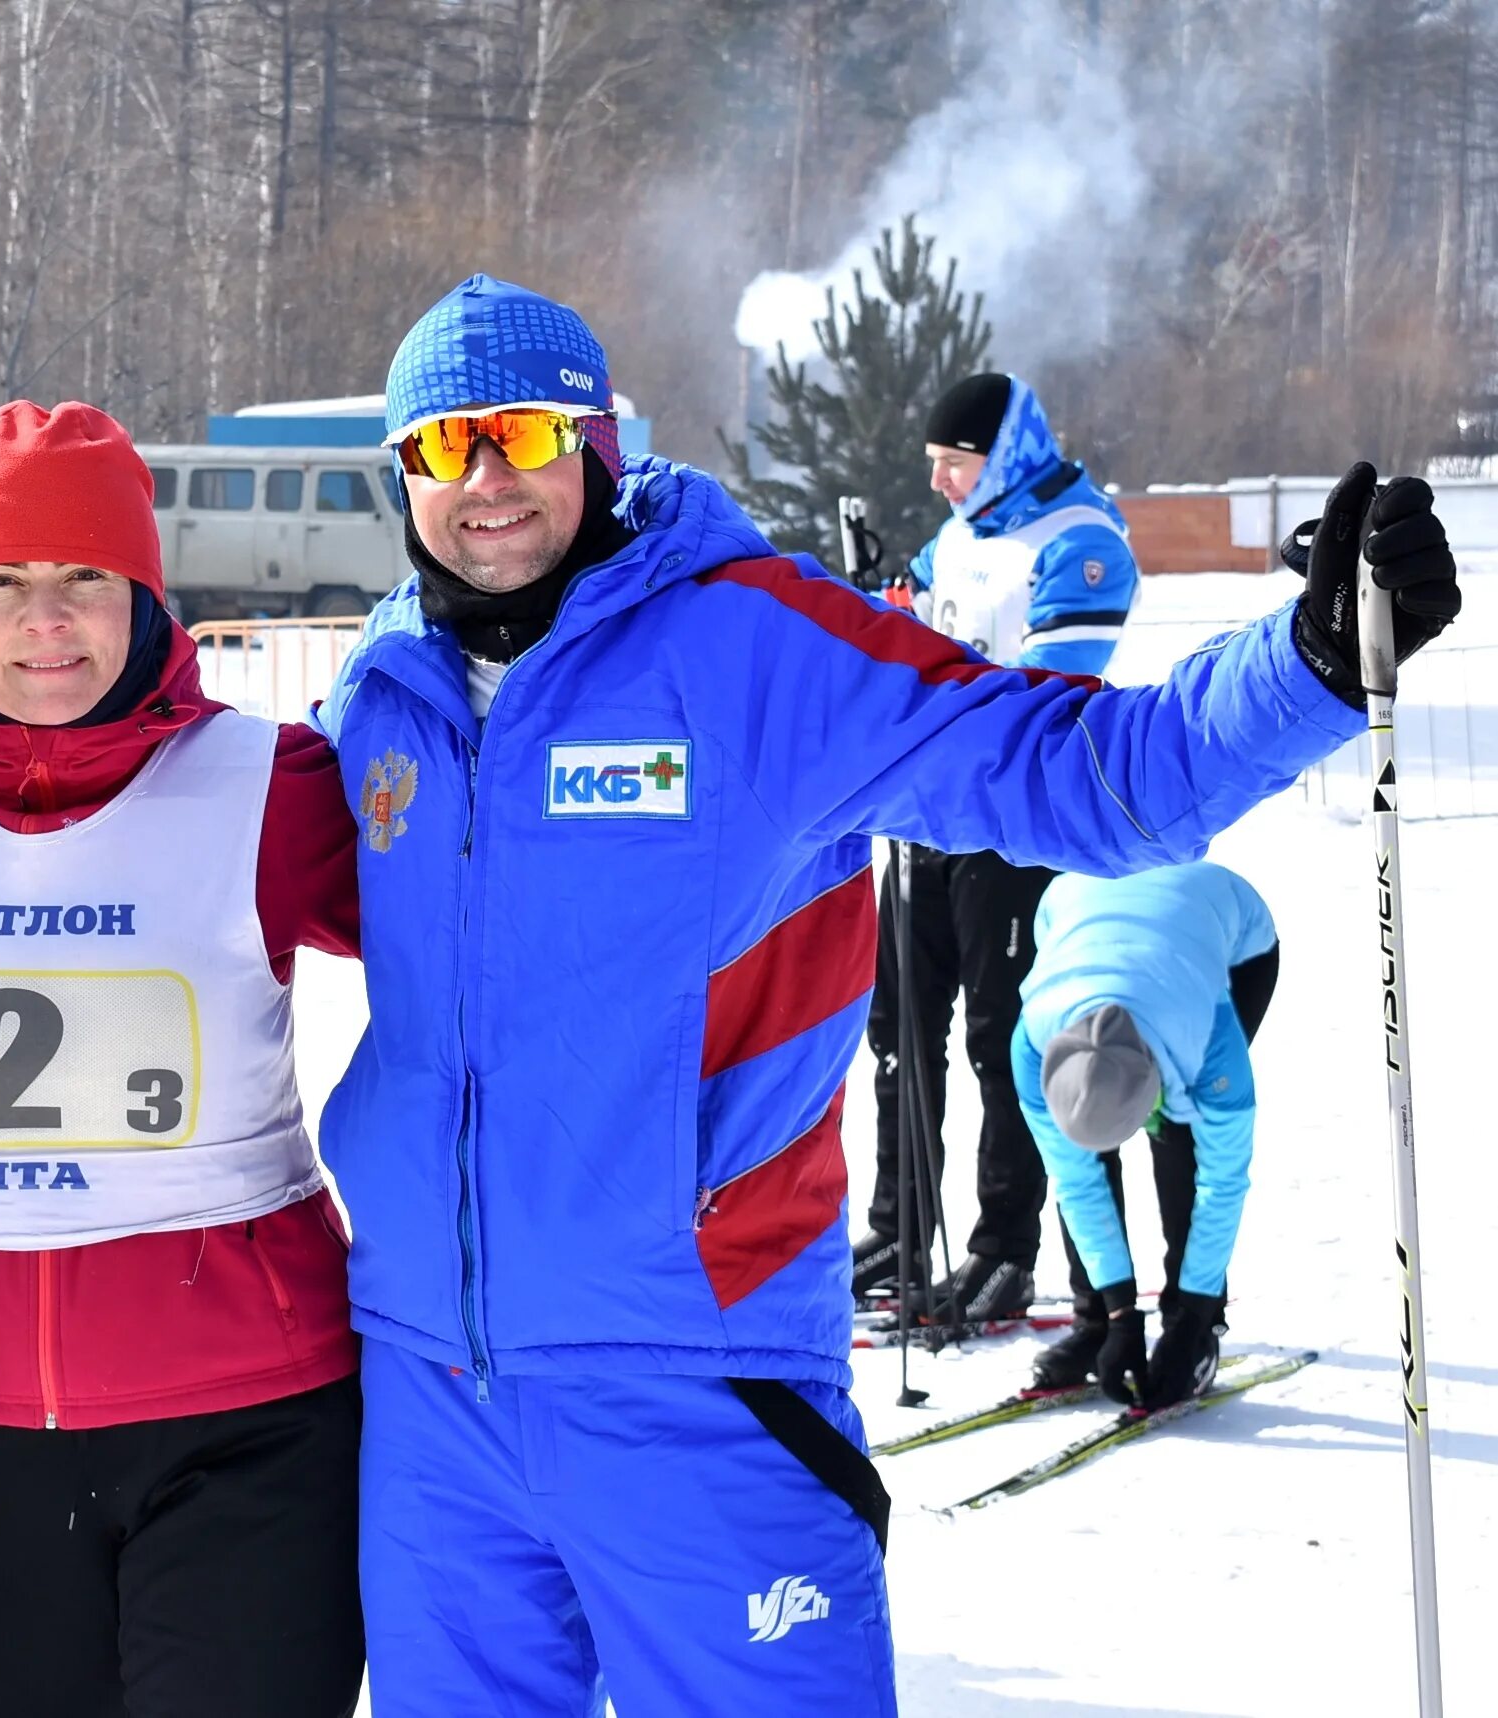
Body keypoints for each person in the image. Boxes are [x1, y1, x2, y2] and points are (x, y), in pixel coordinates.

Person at [310, 273, 1457, 1714]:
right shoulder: (378, 695)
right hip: (432, 1406)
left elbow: (1075, 766)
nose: (483, 481)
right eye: (441, 445)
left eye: (523, 437)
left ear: (597, 442)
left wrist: (1300, 667)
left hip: (697, 1386)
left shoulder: (755, 646)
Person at [0, 402, 365, 1717]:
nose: (43, 620)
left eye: (83, 580)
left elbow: (472, 952)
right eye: (3, 581)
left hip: (243, 1418)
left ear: (143, 598)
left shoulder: (267, 782)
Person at [854, 371, 1143, 1323]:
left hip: (1014, 827)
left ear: (1003, 454)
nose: (938, 481)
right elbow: (931, 635)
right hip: (928, 815)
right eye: (932, 465)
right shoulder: (959, 533)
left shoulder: (1079, 537)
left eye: (952, 463)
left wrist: (933, 684)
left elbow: (1043, 690)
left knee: (998, 1040)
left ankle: (1003, 1247)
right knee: (898, 1024)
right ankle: (901, 1221)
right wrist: (886, 611)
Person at [1012, 862, 1280, 1407]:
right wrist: (1119, 1313)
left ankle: (1194, 1322)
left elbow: (1224, 1180)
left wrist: (1194, 1311)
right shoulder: (1032, 1048)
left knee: (1184, 1137)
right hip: (1078, 912)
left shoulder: (1207, 1040)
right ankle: (1097, 1322)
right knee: (1085, 1157)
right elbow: (1076, 1181)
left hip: (1228, 937)